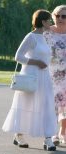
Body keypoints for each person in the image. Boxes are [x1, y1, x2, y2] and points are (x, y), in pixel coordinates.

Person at [2, 9, 57, 151]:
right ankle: (18, 135)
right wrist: (36, 62)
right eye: (49, 20)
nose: (51, 22)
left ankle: (48, 138)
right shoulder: (31, 37)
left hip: (44, 76)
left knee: (46, 104)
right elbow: (18, 56)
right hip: (31, 75)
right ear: (43, 21)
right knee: (25, 104)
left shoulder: (45, 37)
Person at [44, 5, 66, 145]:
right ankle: (52, 133)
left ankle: (63, 132)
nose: (60, 19)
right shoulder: (47, 32)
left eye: (64, 16)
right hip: (50, 73)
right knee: (52, 104)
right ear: (53, 16)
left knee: (65, 104)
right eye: (57, 16)